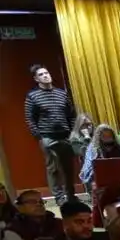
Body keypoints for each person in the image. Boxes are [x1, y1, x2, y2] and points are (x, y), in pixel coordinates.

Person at [24, 65, 77, 205]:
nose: (45, 76)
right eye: (41, 74)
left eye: (46, 72)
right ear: (36, 79)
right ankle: (59, 198)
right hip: (47, 136)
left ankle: (71, 196)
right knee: (53, 168)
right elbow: (29, 118)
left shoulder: (62, 94)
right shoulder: (33, 96)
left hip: (65, 135)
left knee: (68, 167)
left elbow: (71, 114)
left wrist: (72, 132)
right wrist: (39, 136)